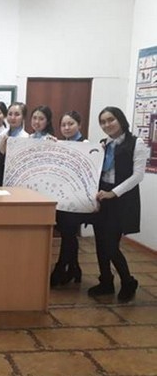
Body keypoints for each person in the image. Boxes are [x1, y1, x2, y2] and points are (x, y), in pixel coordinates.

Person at [88, 106, 146, 302]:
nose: (107, 124)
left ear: (120, 119)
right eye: (103, 122)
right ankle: (106, 281)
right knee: (99, 243)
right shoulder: (103, 144)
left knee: (111, 245)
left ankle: (128, 281)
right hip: (102, 197)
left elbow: (137, 176)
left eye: (110, 119)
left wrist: (114, 193)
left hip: (121, 199)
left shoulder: (136, 143)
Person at [50, 111, 90, 286]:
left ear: (79, 125)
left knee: (69, 234)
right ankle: (74, 268)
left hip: (77, 199)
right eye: (63, 125)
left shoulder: (86, 145)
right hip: (62, 197)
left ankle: (61, 269)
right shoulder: (62, 144)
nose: (66, 128)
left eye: (71, 124)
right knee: (68, 234)